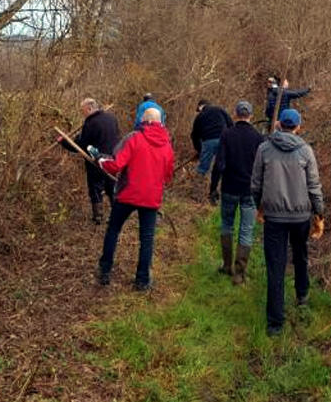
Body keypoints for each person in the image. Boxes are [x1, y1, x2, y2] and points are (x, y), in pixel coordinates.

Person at [250, 108, 325, 336]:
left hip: (274, 217)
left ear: (279, 124)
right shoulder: (305, 151)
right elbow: (314, 186)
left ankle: (275, 323)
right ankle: (302, 294)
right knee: (300, 255)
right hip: (301, 216)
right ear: (298, 127)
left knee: (275, 266)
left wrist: (259, 207)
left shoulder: (264, 149)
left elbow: (255, 184)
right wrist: (319, 213)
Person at [97, 107, 175, 291]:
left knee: (113, 230)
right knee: (147, 239)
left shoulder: (135, 138)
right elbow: (169, 175)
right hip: (151, 198)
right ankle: (142, 281)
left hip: (128, 194)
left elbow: (116, 165)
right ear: (160, 122)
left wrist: (101, 162)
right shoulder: (167, 144)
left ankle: (105, 271)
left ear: (145, 121)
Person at [208, 100, 263, 284]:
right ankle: (239, 273)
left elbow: (219, 164)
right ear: (251, 116)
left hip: (229, 188)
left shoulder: (227, 134)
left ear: (235, 114)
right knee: (246, 230)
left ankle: (226, 265)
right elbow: (262, 168)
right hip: (249, 191)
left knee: (227, 225)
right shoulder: (258, 137)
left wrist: (213, 188)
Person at [58, 98, 120, 224]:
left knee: (95, 188)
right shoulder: (112, 118)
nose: (83, 114)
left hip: (95, 161)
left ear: (90, 108)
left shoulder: (90, 123)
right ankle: (116, 216)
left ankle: (98, 217)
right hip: (112, 160)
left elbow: (81, 146)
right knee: (111, 187)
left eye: (83, 111)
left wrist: (64, 142)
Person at [190, 98, 232, 176]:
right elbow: (230, 124)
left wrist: (199, 150)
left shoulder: (199, 117)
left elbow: (195, 136)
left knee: (202, 168)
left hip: (208, 142)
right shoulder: (219, 110)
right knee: (225, 165)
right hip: (224, 139)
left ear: (200, 106)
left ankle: (199, 182)